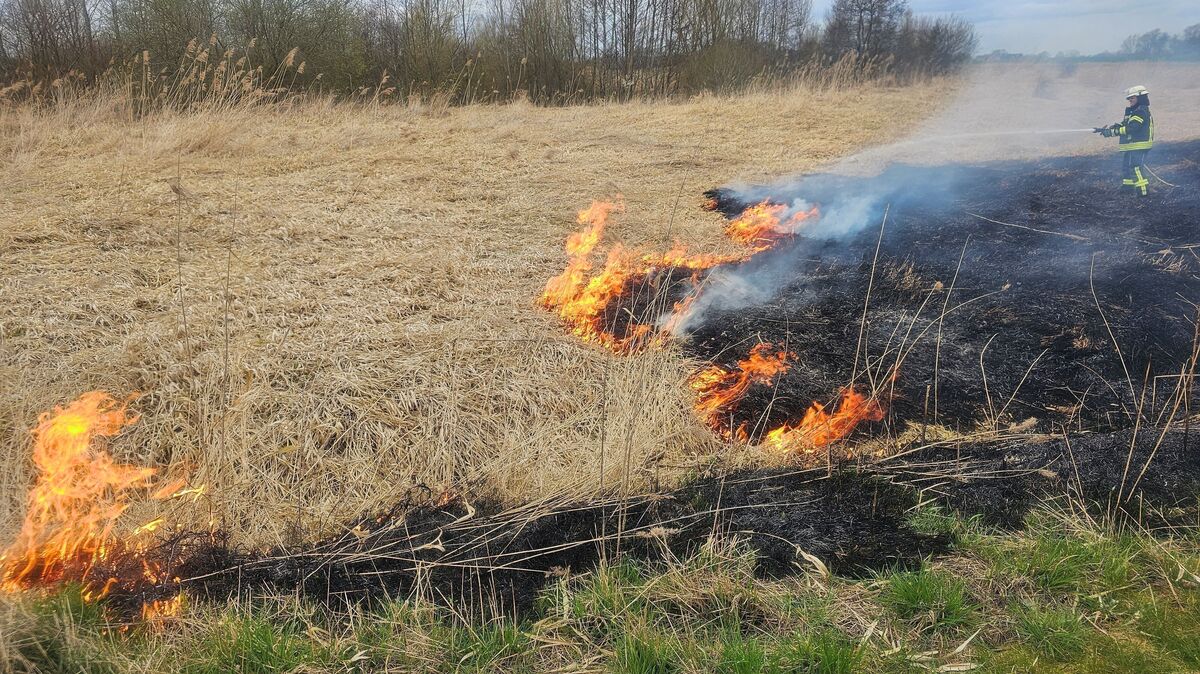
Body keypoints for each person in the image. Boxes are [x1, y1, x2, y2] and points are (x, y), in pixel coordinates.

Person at [1096, 85, 1154, 197]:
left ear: (1140, 97)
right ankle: (1127, 189)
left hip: (1138, 145)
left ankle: (1143, 193)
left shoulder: (1141, 111)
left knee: (1136, 168)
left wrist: (1112, 132)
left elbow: (1131, 128)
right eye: (1129, 98)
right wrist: (1109, 129)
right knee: (1127, 167)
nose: (1129, 100)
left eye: (1132, 98)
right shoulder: (1134, 111)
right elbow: (1125, 125)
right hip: (1132, 146)